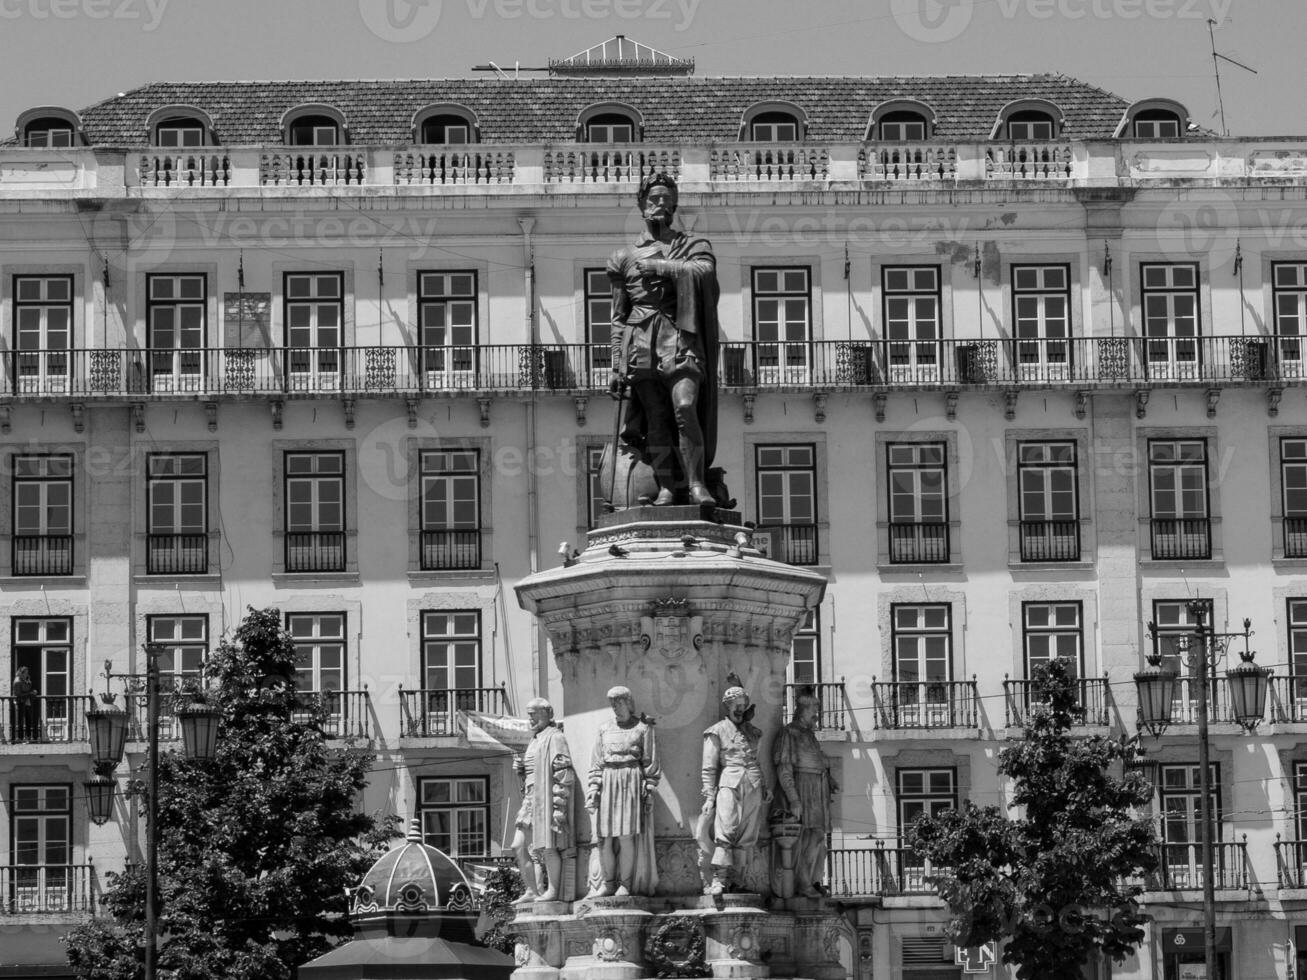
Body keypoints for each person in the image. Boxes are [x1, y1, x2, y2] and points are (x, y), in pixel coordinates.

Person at [607, 172, 721, 507]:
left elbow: (704, 273)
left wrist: (664, 267)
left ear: (675, 206)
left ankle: (697, 483)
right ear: (641, 204)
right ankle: (668, 485)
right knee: (656, 418)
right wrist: (615, 365)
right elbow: (617, 315)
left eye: (667, 200)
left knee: (684, 406)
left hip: (680, 335)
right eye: (654, 199)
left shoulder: (693, 246)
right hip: (640, 337)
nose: (661, 205)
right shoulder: (622, 257)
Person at [586, 686, 661, 897]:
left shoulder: (643, 728)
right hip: (608, 779)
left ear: (628, 703)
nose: (615, 708)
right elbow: (597, 761)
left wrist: (649, 786)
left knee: (626, 837)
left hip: (631, 780)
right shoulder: (604, 729)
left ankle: (625, 884)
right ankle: (608, 882)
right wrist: (593, 787)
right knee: (604, 838)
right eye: (612, 704)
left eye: (619, 703)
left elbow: (650, 760)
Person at [698, 678, 769, 895]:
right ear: (727, 706)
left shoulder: (754, 733)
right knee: (726, 829)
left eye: (743, 705)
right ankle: (719, 878)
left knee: (747, 834)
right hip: (729, 782)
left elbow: (757, 761)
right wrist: (710, 797)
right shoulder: (716, 731)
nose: (740, 709)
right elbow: (708, 768)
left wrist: (764, 787)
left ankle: (738, 878)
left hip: (753, 784)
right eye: (736, 705)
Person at [772, 691, 839, 898]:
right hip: (803, 787)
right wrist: (793, 797)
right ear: (802, 710)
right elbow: (784, 767)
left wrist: (829, 779)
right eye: (813, 710)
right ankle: (802, 883)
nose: (816, 714)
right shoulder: (789, 733)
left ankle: (810, 880)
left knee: (817, 837)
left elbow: (817, 761)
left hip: (817, 788)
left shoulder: (809, 734)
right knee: (804, 837)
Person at [511, 698, 575, 904]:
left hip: (545, 796)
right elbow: (531, 772)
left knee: (547, 845)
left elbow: (563, 769)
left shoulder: (554, 737)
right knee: (518, 846)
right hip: (531, 797)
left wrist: (559, 802)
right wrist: (521, 770)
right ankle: (532, 890)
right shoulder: (535, 739)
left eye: (534, 714)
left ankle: (553, 890)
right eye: (529, 715)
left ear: (547, 713)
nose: (530, 719)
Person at [11, 666, 37, 742]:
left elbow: (26, 690)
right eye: (26, 673)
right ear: (21, 673)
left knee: (28, 719)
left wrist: (31, 690)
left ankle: (28, 737)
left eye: (27, 673)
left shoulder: (25, 680)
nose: (27, 674)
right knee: (20, 721)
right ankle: (20, 737)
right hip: (20, 702)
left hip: (26, 701)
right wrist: (30, 693)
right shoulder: (17, 681)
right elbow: (18, 694)